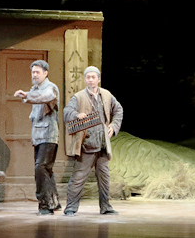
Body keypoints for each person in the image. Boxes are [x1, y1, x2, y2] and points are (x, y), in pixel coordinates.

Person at [63, 66, 123, 217]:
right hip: (86, 144)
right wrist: (76, 115)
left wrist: (114, 126)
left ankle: (106, 207)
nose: (90, 80)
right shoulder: (78, 97)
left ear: (98, 79)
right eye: (88, 77)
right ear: (85, 79)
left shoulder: (106, 95)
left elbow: (118, 110)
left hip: (103, 144)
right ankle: (70, 208)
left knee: (104, 178)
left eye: (93, 77)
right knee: (78, 177)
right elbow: (66, 112)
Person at [14, 60, 61, 215]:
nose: (34, 75)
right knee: (46, 169)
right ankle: (54, 202)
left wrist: (27, 95)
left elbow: (45, 96)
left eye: (37, 72)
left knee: (41, 168)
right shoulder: (35, 89)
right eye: (33, 72)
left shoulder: (51, 87)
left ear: (45, 73)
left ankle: (45, 205)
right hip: (38, 136)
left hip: (48, 135)